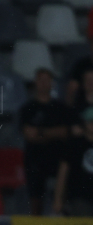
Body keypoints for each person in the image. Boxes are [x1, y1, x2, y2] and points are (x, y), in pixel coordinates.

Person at [19, 68, 72, 216]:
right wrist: (53, 133)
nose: (43, 83)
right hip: (35, 159)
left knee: (64, 195)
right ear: (35, 83)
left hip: (57, 159)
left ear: (52, 83)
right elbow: (29, 134)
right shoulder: (28, 109)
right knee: (36, 199)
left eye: (46, 80)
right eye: (40, 80)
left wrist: (41, 132)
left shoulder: (61, 109)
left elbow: (65, 132)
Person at [54, 107, 93, 216]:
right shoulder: (74, 144)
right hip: (79, 198)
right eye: (90, 121)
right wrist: (58, 199)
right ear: (84, 122)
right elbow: (63, 172)